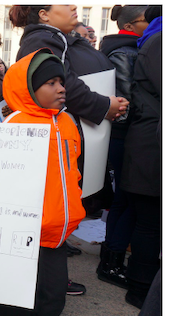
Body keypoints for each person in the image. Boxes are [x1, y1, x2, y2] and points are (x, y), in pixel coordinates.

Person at [9, 4, 130, 297]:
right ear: (44, 15)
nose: (74, 6)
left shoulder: (54, 37)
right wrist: (104, 105)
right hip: (49, 141)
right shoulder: (41, 40)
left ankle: (50, 280)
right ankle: (43, 282)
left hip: (62, 135)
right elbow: (65, 86)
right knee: (45, 213)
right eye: (64, 3)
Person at [0, 48, 85, 316]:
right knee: (16, 295)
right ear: (29, 88)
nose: (61, 88)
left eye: (62, 81)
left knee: (52, 295)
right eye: (51, 83)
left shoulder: (68, 121)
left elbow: (73, 171)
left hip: (57, 231)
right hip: (23, 231)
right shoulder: (12, 124)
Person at [97, 5, 149, 289]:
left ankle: (111, 259)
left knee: (124, 199)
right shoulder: (126, 52)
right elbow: (126, 102)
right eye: (146, 21)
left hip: (123, 135)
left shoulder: (125, 48)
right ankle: (111, 262)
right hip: (124, 135)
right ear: (132, 23)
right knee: (127, 199)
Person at [120, 6, 162, 309]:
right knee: (149, 221)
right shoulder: (160, 41)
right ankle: (140, 290)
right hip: (151, 145)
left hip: (151, 142)